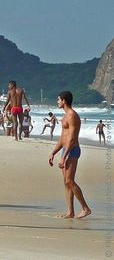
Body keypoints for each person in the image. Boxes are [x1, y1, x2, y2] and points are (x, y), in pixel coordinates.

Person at [48, 91, 91, 219]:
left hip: (72, 150)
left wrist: (64, 156)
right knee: (66, 183)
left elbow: (72, 139)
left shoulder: (72, 116)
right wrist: (53, 153)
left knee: (69, 180)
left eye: (58, 100)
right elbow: (63, 139)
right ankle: (70, 212)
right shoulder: (65, 117)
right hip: (65, 150)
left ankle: (85, 208)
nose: (57, 102)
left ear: (64, 101)